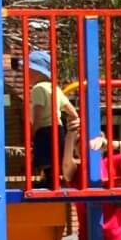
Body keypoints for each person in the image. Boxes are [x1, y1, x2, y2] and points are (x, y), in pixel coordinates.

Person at [27, 49, 80, 186]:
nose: (26, 74)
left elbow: (38, 113)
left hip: (44, 129)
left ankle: (49, 181)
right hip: (59, 129)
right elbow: (73, 112)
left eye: (28, 70)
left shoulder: (38, 88)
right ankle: (54, 180)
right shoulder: (55, 88)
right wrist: (73, 125)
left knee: (44, 157)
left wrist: (33, 131)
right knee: (56, 156)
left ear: (36, 71)